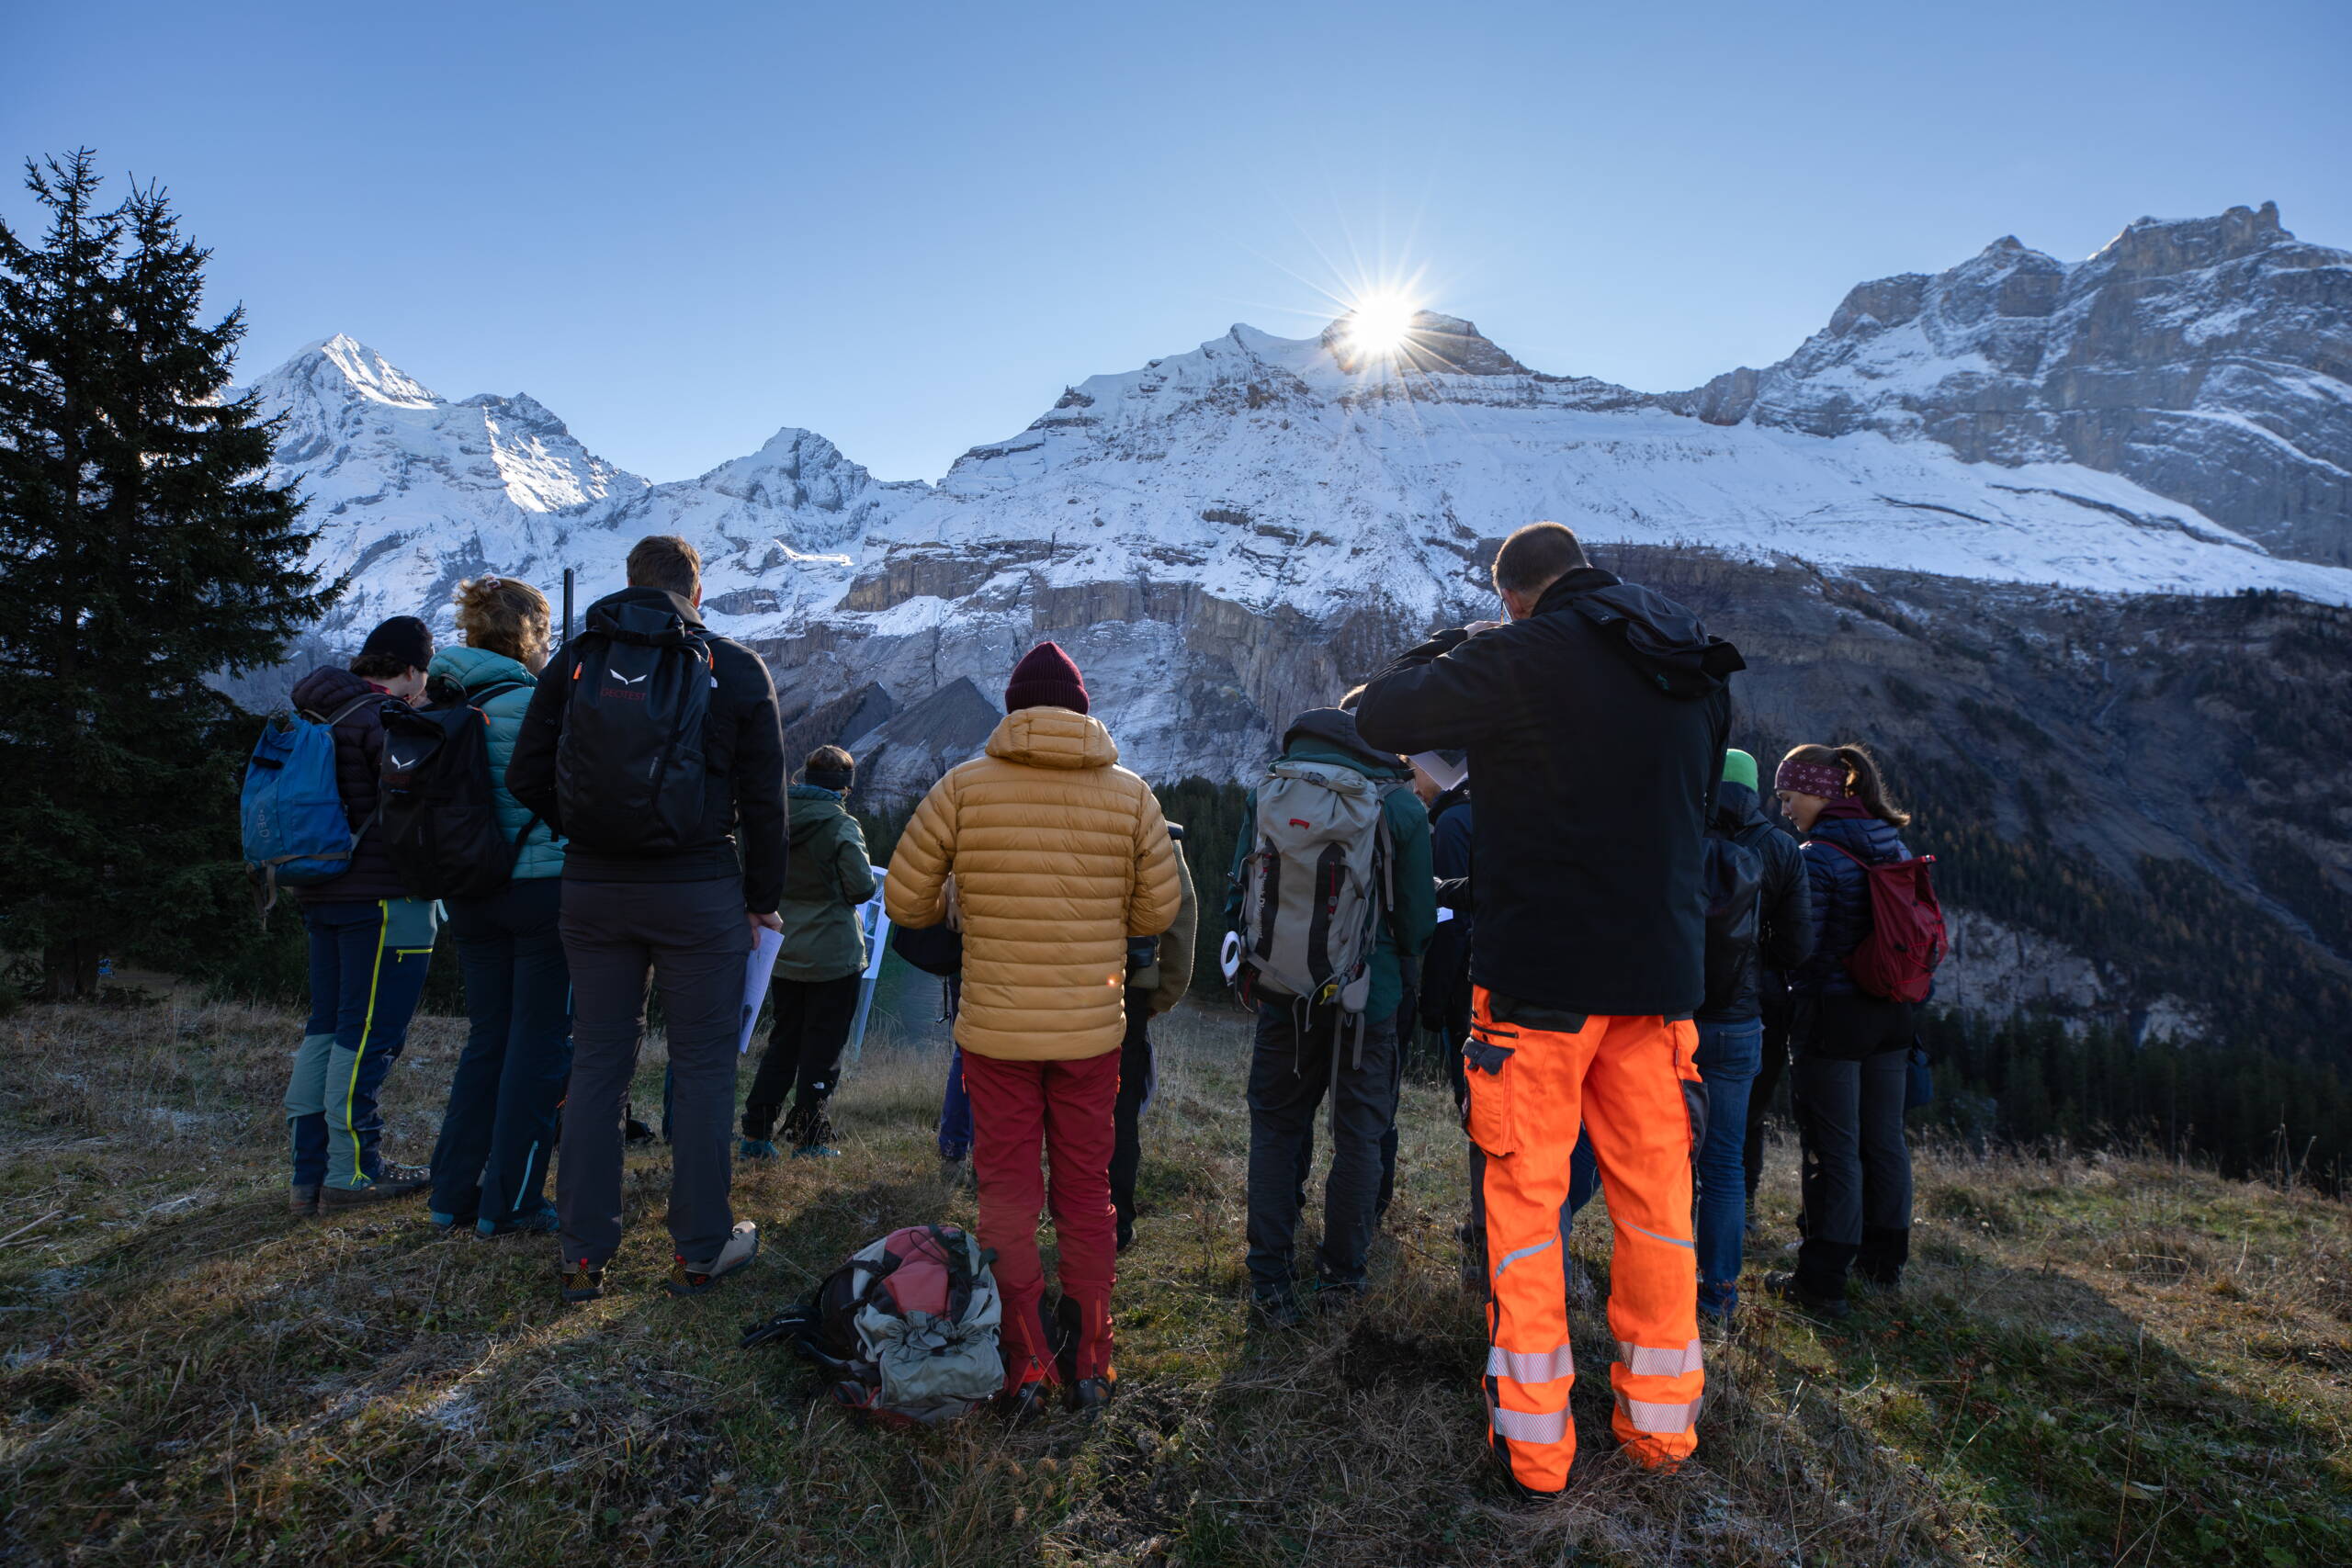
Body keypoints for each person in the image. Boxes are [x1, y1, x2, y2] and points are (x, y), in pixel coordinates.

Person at [1354, 521, 1740, 1492]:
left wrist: (1464, 648)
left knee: (1525, 1210)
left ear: (1514, 594)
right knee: (1657, 1210)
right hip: (1660, 990)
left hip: (1539, 986)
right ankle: (1660, 1435)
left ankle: (1535, 1456)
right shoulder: (1690, 658)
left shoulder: (1525, 651)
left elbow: (1380, 715)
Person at [885, 641, 1180, 1418]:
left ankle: (1024, 1363)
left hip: (996, 1035)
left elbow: (906, 901)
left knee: (1007, 1197)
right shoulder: (1132, 795)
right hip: (1090, 1034)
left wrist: (968, 940)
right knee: (1087, 1192)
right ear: (1082, 712)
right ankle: (1090, 1359)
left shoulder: (961, 788)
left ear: (1013, 711)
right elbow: (1157, 913)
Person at [507, 535, 788, 1304]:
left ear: (628, 584)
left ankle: (583, 1253)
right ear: (697, 594)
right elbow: (766, 802)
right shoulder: (732, 667)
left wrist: (587, 828)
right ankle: (700, 1250)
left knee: (599, 1061)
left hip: (594, 891)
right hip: (700, 892)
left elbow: (525, 771)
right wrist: (762, 894)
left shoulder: (577, 659)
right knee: (701, 1067)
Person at [1230, 703, 1434, 1323]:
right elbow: (1418, 922)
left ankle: (1269, 1280)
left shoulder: (1270, 787)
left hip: (1282, 991)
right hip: (1364, 1000)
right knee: (1358, 1138)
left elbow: (1241, 887)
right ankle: (1341, 1282)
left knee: (1276, 1127)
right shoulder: (1399, 806)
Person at [423, 578, 574, 1236]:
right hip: (540, 892)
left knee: (487, 1039)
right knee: (538, 1046)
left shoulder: (438, 697)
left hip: (468, 894)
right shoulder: (536, 701)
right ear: (533, 633)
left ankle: (451, 1194)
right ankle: (510, 1201)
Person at [282, 615, 441, 1215]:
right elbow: (421, 807)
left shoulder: (314, 711)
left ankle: (308, 1175)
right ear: (407, 669)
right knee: (368, 1035)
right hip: (382, 904)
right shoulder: (381, 720)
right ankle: (353, 1172)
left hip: (318, 895)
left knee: (325, 1027)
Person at [1770, 742, 1917, 1318]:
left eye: (1789, 797)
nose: (1785, 810)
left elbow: (1802, 947)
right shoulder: (1890, 842)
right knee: (1884, 1139)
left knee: (1832, 1148)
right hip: (1893, 1013)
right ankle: (1885, 1264)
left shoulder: (1817, 856)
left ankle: (1822, 1281)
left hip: (1833, 1017)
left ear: (1817, 792)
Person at [1690, 748, 1812, 1320]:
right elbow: (1798, 949)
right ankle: (1716, 1295)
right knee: (1724, 1165)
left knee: (1648, 1153)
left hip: (1673, 1015)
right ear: (1758, 790)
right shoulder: (1782, 848)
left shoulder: (1683, 830)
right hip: (1740, 1022)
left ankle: (1648, 1276)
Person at [741, 745, 878, 1159]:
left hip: (783, 948)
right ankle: (810, 1137)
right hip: (834, 955)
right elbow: (860, 888)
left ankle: (756, 1134)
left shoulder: (776, 819)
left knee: (783, 1040)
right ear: (844, 788)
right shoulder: (841, 825)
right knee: (823, 1046)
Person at [1110, 821, 1197, 1252]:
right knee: (1118, 1116)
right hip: (1123, 991)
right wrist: (1159, 995)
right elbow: (1181, 916)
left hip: (1035, 985)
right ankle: (1114, 1227)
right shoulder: (1149, 821)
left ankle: (1019, 1235)